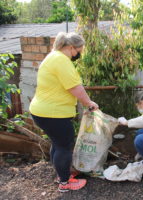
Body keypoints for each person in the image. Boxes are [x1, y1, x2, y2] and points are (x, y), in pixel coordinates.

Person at [29, 32, 99, 192]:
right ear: (71, 47)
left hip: (43, 111)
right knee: (64, 146)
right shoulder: (61, 60)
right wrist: (88, 103)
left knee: (58, 144)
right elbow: (75, 87)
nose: (79, 54)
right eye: (80, 50)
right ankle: (65, 183)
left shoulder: (53, 56)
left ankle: (61, 176)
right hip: (53, 114)